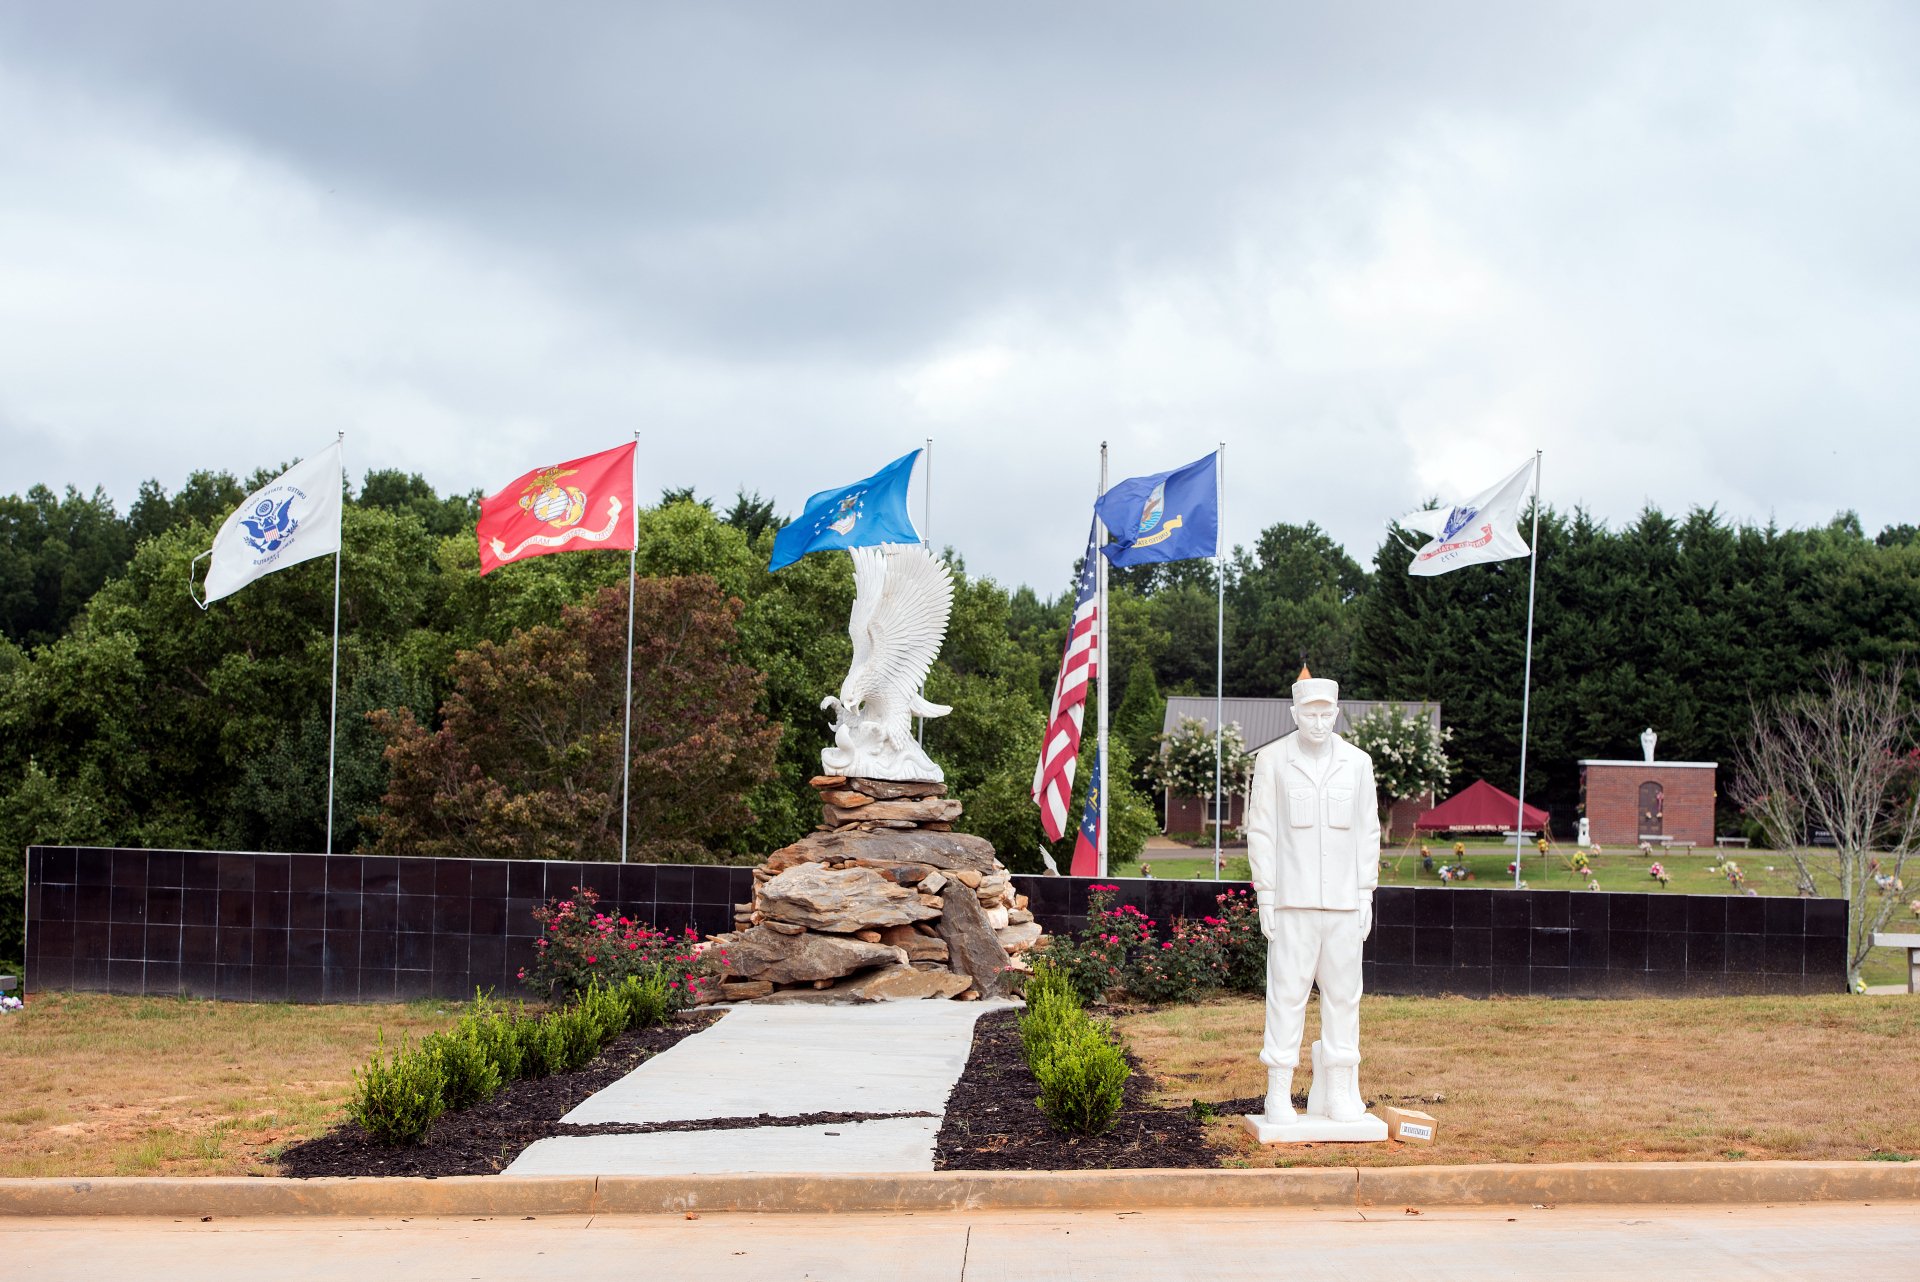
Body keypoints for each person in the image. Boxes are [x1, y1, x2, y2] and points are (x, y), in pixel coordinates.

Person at [1244, 669, 1380, 1124]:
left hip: (1343, 904)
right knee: (1286, 995)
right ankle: (1278, 1091)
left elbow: (1368, 831)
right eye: (1310, 713)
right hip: (1293, 903)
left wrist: (1365, 893)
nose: (1319, 722)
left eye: (1327, 713)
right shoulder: (1273, 760)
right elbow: (1261, 831)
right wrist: (1266, 893)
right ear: (1294, 713)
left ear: (1337, 713)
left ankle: (1338, 1090)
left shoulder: (1358, 763)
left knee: (1345, 997)